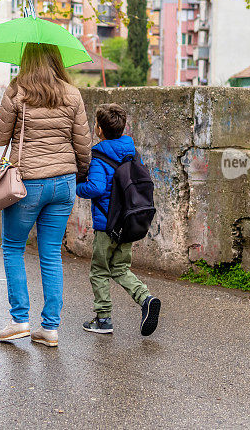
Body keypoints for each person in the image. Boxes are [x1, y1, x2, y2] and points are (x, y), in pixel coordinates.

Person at [0, 43, 91, 348]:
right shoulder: (72, 94)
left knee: (12, 248)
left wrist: (11, 98)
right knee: (50, 254)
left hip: (28, 183)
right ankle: (49, 328)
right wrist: (79, 172)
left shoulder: (18, 91)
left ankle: (20, 321)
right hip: (64, 184)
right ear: (56, 58)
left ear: (25, 60)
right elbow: (83, 145)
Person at [76, 103, 161, 336]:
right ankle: (146, 299)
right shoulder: (130, 150)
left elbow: (95, 187)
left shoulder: (100, 154)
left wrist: (77, 187)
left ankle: (103, 319)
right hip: (128, 221)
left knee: (100, 271)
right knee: (121, 267)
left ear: (99, 129)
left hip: (106, 224)